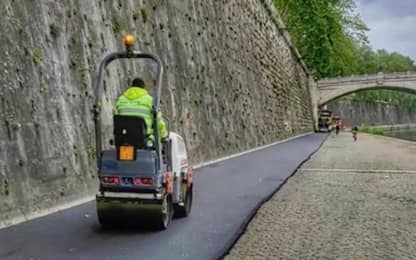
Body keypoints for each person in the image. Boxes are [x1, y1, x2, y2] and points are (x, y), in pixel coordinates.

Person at [115, 78, 168, 143]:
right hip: (144, 139)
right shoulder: (150, 100)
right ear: (143, 88)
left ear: (132, 87)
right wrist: (164, 136)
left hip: (123, 138)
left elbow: (116, 117)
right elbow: (159, 121)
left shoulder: (120, 100)